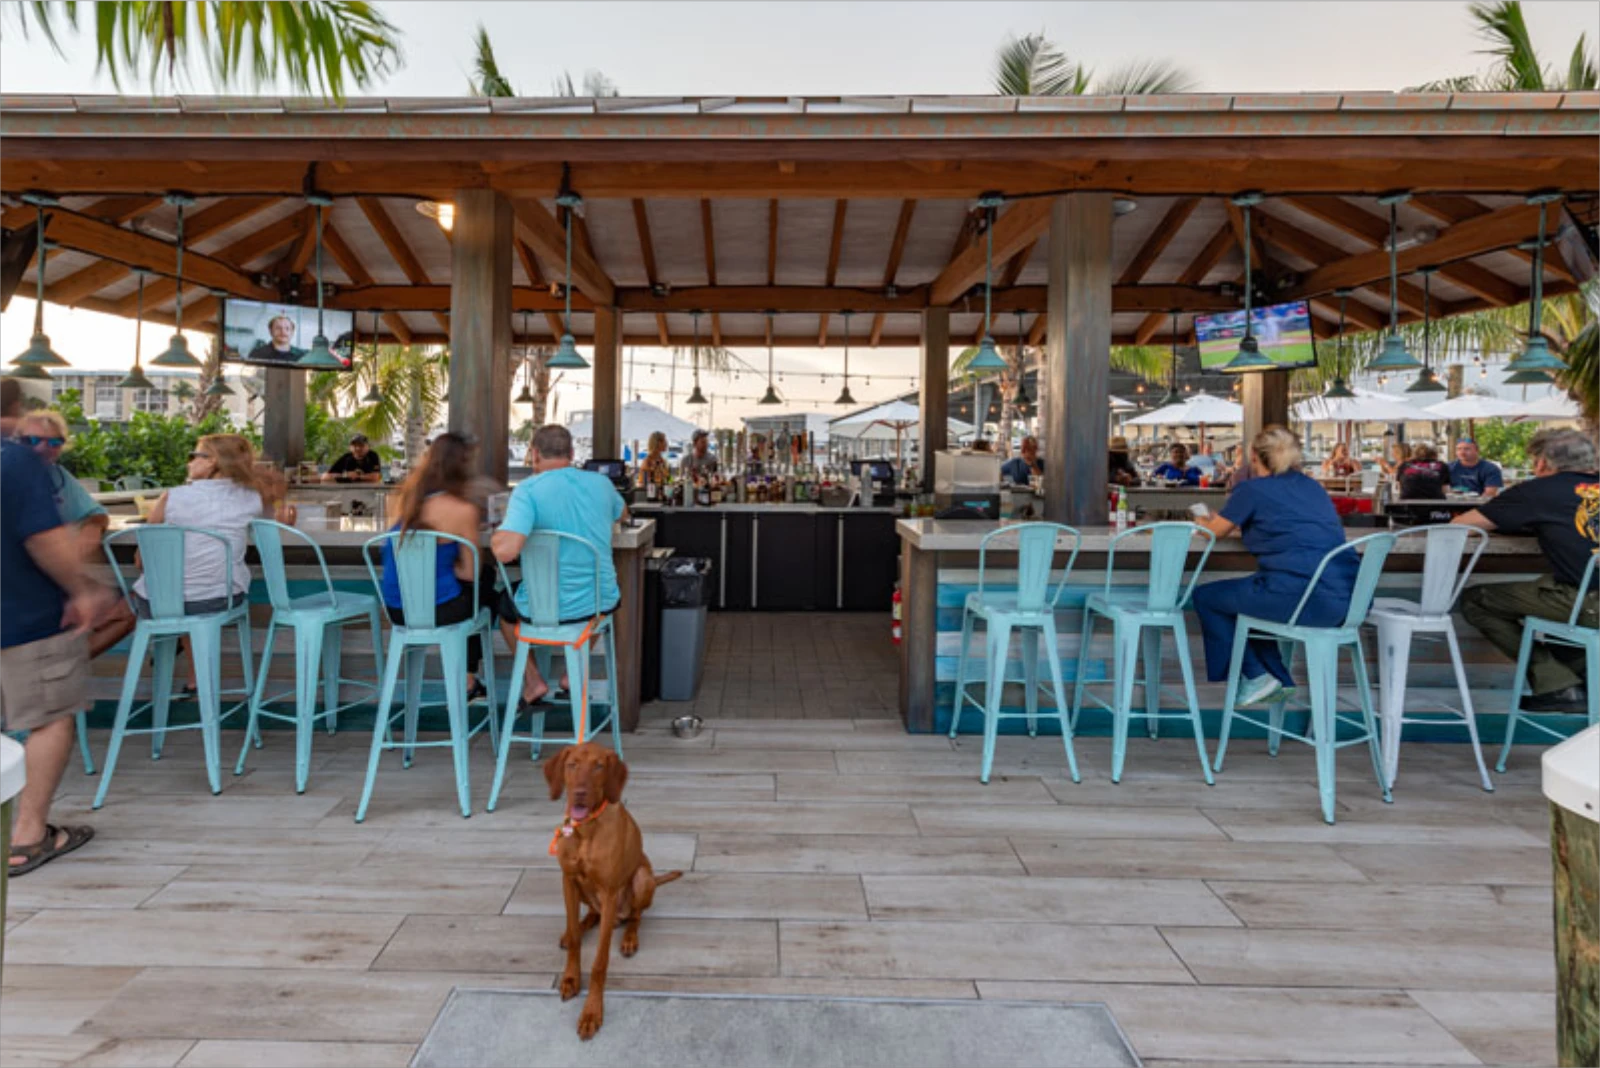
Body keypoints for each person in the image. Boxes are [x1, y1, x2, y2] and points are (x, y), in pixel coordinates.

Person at [1, 377, 117, 875]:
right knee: (50, 716)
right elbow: (44, 539)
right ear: (14, 411)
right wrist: (82, 588)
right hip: (23, 615)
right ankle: (27, 837)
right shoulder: (15, 463)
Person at [1191, 426, 1356, 708]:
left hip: (1301, 597)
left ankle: (1256, 676)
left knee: (1207, 598)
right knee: (1253, 607)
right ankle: (1276, 679)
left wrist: (1201, 521)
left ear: (1254, 457)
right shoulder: (1311, 486)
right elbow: (1285, 525)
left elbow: (1213, 533)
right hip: (1346, 601)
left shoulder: (1253, 489)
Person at [1453, 428, 1599, 713]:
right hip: (1584, 602)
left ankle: (1559, 685)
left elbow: (1461, 526)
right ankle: (1581, 680)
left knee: (1476, 600)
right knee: (1552, 594)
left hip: (1587, 603)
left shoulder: (1536, 491)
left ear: (1543, 463)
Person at [492, 425, 625, 710]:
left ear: (534, 454)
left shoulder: (528, 490)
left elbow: (505, 552)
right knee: (602, 601)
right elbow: (623, 513)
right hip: (597, 601)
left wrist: (501, 531)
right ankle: (571, 673)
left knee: (504, 607)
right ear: (573, 454)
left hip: (545, 608)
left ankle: (533, 680)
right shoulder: (602, 484)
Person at [380, 433, 496, 702]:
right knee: (486, 584)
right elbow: (469, 572)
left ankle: (468, 679)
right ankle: (466, 677)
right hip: (439, 611)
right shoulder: (463, 509)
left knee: (480, 587)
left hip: (397, 610)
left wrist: (436, 565)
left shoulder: (403, 500)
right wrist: (448, 567)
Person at [15, 410, 136, 665]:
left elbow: (96, 513)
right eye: (34, 441)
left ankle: (62, 670)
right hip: (24, 589)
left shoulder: (58, 476)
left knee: (129, 609)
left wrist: (93, 525)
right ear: (17, 441)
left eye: (55, 442)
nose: (44, 449)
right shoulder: (10, 475)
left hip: (52, 582)